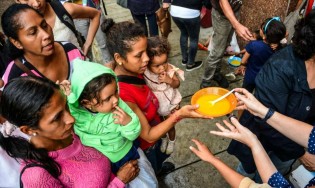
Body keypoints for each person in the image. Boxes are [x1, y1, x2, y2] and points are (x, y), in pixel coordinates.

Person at [101, 19, 208, 174]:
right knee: (153, 164)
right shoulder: (123, 94)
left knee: (160, 156)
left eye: (146, 52)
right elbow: (149, 136)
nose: (146, 59)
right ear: (119, 58)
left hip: (158, 127)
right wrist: (179, 114)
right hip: (147, 146)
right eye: (139, 55)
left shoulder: (135, 68)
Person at [0, 76, 139, 187]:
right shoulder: (37, 176)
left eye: (66, 106)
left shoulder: (73, 131)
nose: (71, 119)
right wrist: (119, 181)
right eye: (57, 118)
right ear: (29, 129)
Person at [228, 9, 315, 181]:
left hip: (288, 152)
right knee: (247, 174)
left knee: (271, 178)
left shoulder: (259, 47)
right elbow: (263, 117)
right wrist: (300, 153)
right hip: (262, 139)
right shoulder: (280, 66)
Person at [67, 59, 158, 187]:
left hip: (128, 154)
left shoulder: (119, 107)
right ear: (87, 103)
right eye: (108, 98)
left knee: (146, 183)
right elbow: (72, 107)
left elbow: (133, 134)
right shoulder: (78, 114)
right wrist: (70, 96)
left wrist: (128, 123)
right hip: (105, 163)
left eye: (115, 91)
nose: (115, 99)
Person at [1, 4, 84, 85]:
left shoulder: (70, 50)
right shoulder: (15, 78)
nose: (46, 35)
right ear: (17, 43)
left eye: (44, 25)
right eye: (33, 32)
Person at [144, 36, 184, 155]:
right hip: (155, 104)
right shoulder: (144, 70)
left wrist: (169, 80)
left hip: (168, 103)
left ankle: (171, 140)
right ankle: (163, 138)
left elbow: (177, 84)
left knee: (169, 126)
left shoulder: (169, 69)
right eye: (157, 65)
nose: (162, 68)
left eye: (164, 62)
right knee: (158, 124)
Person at [201, 0, 254, 89]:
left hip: (235, 11)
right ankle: (205, 83)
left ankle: (216, 73)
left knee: (225, 46)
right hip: (221, 16)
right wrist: (237, 25)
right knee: (216, 53)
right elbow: (223, 2)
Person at [15, 0, 100, 56]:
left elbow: (96, 14)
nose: (36, 3)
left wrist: (87, 45)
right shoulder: (19, 28)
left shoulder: (63, 9)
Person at [235, 17, 286, 92]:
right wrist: (278, 43)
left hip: (250, 77)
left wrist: (242, 65)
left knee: (245, 91)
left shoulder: (253, 45)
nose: (259, 29)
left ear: (264, 36)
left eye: (261, 29)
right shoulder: (277, 48)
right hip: (264, 79)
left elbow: (244, 59)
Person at [164, 0, 204, 72]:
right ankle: (190, 64)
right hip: (191, 12)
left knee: (184, 33)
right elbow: (207, 3)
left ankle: (184, 59)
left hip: (175, 10)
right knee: (193, 39)